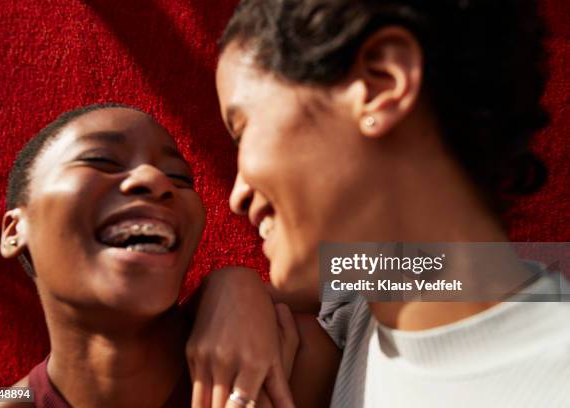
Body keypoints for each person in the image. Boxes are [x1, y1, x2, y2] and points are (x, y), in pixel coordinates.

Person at [187, 0, 570, 407]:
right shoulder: (371, 298)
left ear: (382, 83)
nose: (236, 196)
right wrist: (232, 286)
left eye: (244, 130)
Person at [0, 103, 306, 408]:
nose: (156, 180)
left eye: (179, 177)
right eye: (101, 160)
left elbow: (355, 277)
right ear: (14, 231)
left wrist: (239, 281)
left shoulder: (289, 359)